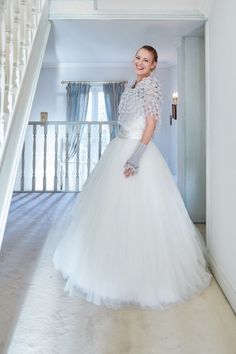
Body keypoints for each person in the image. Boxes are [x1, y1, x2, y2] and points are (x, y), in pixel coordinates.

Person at [52, 45, 212, 310]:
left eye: (145, 60)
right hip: (120, 146)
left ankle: (139, 277)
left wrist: (137, 157)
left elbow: (150, 123)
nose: (139, 62)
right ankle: (108, 270)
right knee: (109, 214)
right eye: (137, 57)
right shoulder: (133, 86)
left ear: (154, 65)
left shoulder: (150, 86)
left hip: (137, 151)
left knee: (141, 215)